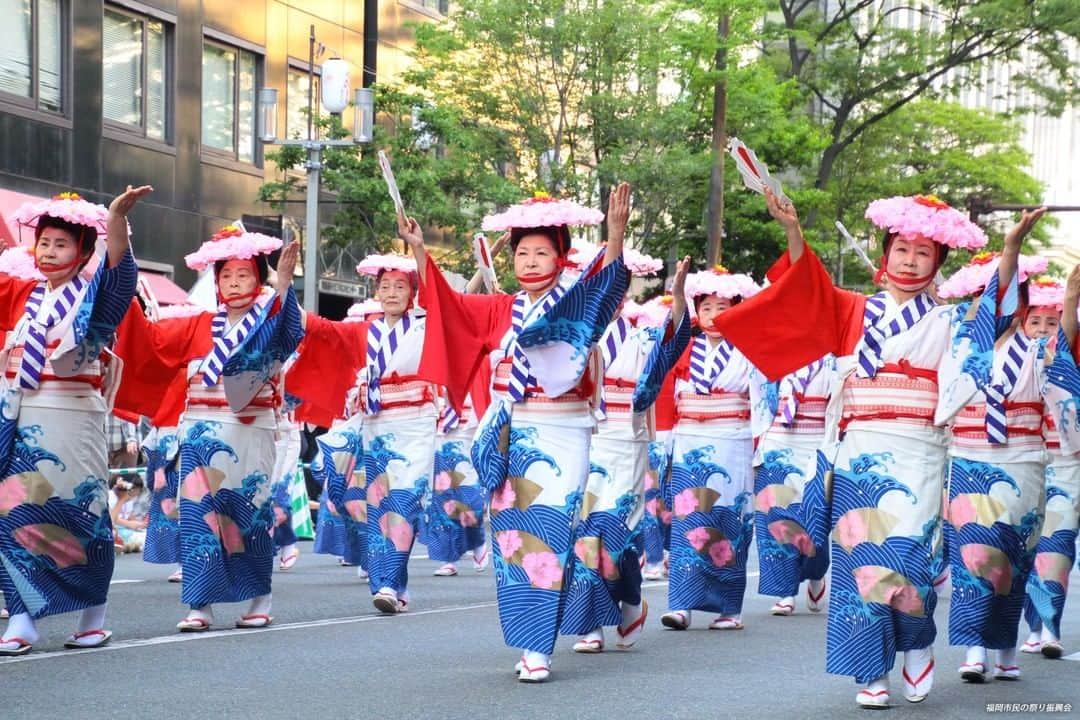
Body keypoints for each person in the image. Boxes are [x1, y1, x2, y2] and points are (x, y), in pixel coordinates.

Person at [713, 190, 995, 708]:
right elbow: (807, 290)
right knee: (860, 561)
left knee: (908, 558)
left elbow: (983, 346)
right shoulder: (852, 309)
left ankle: (916, 642)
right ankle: (870, 672)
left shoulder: (952, 321)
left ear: (938, 265)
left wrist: (1013, 255)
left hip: (919, 450)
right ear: (884, 256)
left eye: (923, 254)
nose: (910, 261)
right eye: (901, 250)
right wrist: (794, 230)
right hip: (859, 448)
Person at [408, 186, 631, 682]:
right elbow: (447, 306)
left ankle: (550, 637)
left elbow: (604, 292)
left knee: (551, 530)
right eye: (522, 253)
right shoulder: (498, 309)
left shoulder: (575, 301)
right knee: (512, 536)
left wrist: (614, 238)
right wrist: (421, 250)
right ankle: (536, 641)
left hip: (566, 427)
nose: (529, 262)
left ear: (561, 256)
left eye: (541, 252)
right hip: (515, 429)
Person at [113, 225, 303, 632]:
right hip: (199, 429)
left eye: (244, 275)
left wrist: (284, 285)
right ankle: (200, 604)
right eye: (227, 276)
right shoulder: (197, 324)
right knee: (199, 515)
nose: (234, 283)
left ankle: (259, 597)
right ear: (216, 282)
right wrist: (123, 293)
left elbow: (290, 334)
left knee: (248, 512)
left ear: (259, 279)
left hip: (249, 430)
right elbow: (148, 341)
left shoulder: (271, 318)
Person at [0, 186, 149, 656]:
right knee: (11, 515)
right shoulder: (30, 301)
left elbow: (120, 279)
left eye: (61, 244)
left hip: (74, 420)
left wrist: (117, 222)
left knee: (83, 516)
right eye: (44, 242)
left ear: (84, 251)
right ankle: (22, 619)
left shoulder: (93, 301)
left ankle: (92, 617)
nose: (48, 251)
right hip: (25, 419)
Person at [287, 253, 437, 613]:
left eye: (400, 286)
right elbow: (320, 328)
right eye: (384, 286)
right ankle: (390, 584)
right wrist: (282, 288)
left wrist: (418, 248)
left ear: (413, 292)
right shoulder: (364, 332)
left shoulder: (425, 325)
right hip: (375, 425)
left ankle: (387, 582)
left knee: (404, 502)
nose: (391, 293)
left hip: (416, 424)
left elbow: (443, 301)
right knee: (376, 506)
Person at [560, 249, 691, 653]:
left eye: (616, 288)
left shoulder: (642, 334)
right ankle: (590, 626)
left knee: (617, 536)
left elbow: (673, 339)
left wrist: (680, 296)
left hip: (626, 440)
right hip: (581, 436)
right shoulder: (568, 334)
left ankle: (631, 600)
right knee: (584, 534)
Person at [934, 244, 1052, 683]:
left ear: (1023, 304)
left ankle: (1004, 644)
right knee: (974, 554)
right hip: (969, 457)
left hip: (1023, 461)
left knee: (1013, 557)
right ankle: (974, 647)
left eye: (1011, 299)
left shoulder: (1042, 350)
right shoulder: (960, 346)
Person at [659, 265, 763, 633]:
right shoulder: (683, 347)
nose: (715, 316)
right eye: (707, 309)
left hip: (733, 439)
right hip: (690, 441)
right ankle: (682, 604)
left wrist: (761, 446)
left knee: (728, 519)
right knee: (690, 519)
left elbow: (765, 401)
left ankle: (729, 606)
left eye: (723, 308)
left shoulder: (750, 351)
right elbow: (667, 398)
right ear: (696, 313)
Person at [752, 348, 835, 617]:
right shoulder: (775, 352)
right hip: (779, 440)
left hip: (819, 440)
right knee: (778, 516)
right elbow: (758, 400)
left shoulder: (837, 356)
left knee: (816, 517)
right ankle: (785, 592)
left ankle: (815, 571)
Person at [1023, 272, 1080, 659]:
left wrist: (1071, 298)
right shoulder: (1007, 356)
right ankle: (1031, 623)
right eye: (1035, 321)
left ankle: (1048, 625)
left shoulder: (1067, 356)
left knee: (1057, 542)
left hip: (1065, 460)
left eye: (1051, 321)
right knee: (1024, 544)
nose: (1043, 330)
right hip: (1021, 458)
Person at [109, 475, 149, 553]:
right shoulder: (111, 496)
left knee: (148, 535)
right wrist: (121, 499)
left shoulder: (129, 499)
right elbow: (111, 519)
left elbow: (128, 516)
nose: (136, 493)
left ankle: (127, 546)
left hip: (125, 529)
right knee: (144, 540)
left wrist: (140, 524)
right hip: (116, 529)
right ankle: (123, 546)